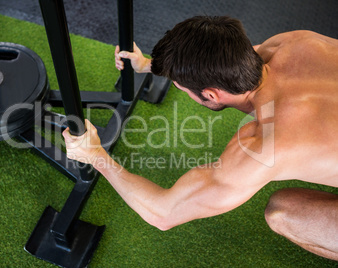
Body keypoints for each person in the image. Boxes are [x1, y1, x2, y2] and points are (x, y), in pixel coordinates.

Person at [63, 16, 338, 261]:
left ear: (211, 95)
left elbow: (163, 212)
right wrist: (149, 65)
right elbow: (229, 61)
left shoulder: (262, 145)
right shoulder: (295, 42)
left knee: (282, 212)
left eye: (181, 87)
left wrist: (96, 156)